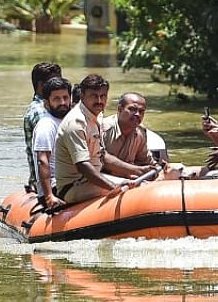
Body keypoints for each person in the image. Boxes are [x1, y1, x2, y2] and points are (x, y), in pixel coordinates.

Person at [55, 74, 158, 204]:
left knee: (138, 183)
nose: (99, 101)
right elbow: (83, 166)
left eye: (103, 96)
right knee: (135, 190)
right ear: (82, 96)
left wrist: (139, 170)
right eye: (94, 96)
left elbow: (103, 156)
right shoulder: (76, 123)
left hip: (89, 181)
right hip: (73, 186)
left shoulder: (96, 117)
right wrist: (113, 187)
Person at [29, 76, 72, 209]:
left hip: (69, 180)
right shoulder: (46, 125)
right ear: (47, 103)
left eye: (65, 97)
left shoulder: (70, 121)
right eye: (56, 99)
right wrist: (48, 196)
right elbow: (43, 160)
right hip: (54, 185)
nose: (62, 102)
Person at [22, 62, 62, 187]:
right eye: (54, 82)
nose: (59, 86)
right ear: (41, 85)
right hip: (48, 182)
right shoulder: (39, 112)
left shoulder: (54, 108)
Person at [102, 92, 156, 168]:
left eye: (141, 111)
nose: (137, 114)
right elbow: (97, 161)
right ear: (120, 109)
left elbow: (145, 162)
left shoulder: (140, 132)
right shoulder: (103, 130)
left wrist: (157, 167)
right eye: (132, 109)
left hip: (126, 176)